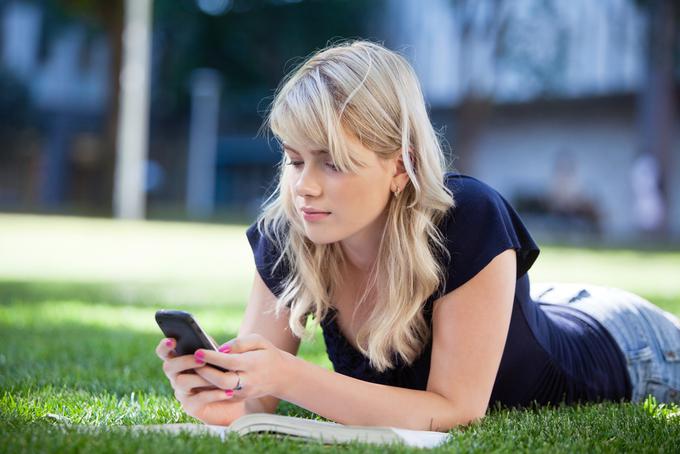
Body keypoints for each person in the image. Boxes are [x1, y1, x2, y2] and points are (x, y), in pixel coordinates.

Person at [155, 40, 680, 432]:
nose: (304, 188)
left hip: (630, 344)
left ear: (401, 166)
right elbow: (256, 404)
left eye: (333, 163)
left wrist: (288, 376)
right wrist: (221, 396)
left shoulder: (469, 216)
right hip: (521, 308)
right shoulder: (290, 232)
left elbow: (454, 411)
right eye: (294, 160)